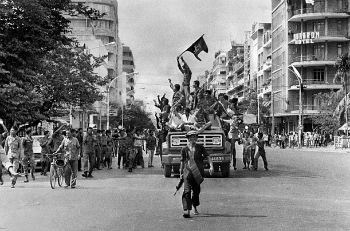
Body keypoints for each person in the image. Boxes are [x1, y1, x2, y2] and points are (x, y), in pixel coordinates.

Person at [180, 131, 214, 218]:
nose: (193, 139)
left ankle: (195, 206)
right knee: (187, 192)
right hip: (187, 173)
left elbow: (208, 156)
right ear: (188, 138)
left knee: (196, 192)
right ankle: (187, 210)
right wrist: (180, 173)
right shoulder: (184, 149)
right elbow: (182, 162)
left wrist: (211, 166)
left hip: (197, 173)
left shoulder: (200, 147)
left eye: (195, 137)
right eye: (191, 137)